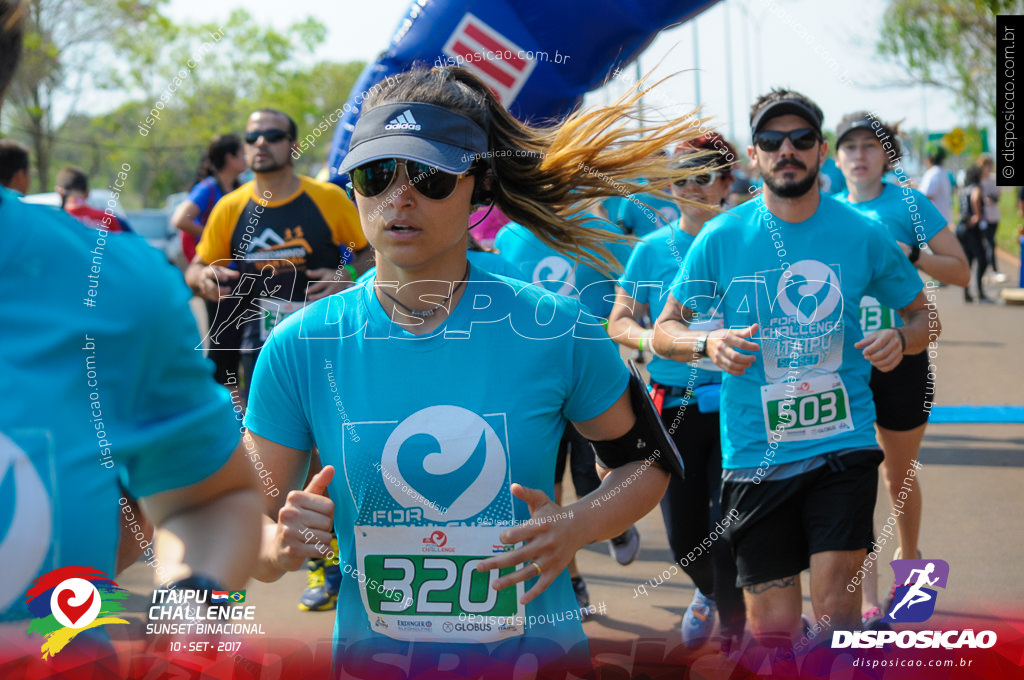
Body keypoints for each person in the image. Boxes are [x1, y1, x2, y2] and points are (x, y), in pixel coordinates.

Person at [243, 65, 705, 677]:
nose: (399, 197)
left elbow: (645, 463)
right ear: (353, 186)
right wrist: (277, 546)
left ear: (478, 187)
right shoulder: (301, 346)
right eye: (377, 174)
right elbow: (242, 518)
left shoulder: (555, 328)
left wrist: (575, 526)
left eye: (430, 176)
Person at [0, 2, 261, 669]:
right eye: (250, 145)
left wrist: (187, 629)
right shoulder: (205, 206)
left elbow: (213, 497)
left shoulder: (109, 284)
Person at [652, 89, 937, 663]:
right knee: (773, 630)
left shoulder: (860, 232)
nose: (789, 150)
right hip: (756, 453)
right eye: (773, 141)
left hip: (843, 443)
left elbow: (922, 316)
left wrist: (900, 339)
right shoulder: (723, 237)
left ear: (821, 151)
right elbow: (663, 330)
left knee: (836, 608)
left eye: (802, 139)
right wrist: (706, 341)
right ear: (754, 157)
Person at [608, 132, 746, 650]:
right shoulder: (651, 249)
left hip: (739, 403)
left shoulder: (749, 238)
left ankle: (736, 629)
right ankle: (712, 595)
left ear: (727, 181)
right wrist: (652, 340)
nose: (693, 187)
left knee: (728, 524)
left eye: (706, 175)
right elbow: (619, 320)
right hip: (676, 408)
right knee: (687, 539)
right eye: (683, 177)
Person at [832, 111, 968, 625]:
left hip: (904, 355)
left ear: (886, 155)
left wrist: (913, 255)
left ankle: (909, 560)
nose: (860, 155)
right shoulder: (825, 210)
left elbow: (960, 270)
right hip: (843, 363)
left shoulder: (907, 203)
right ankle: (867, 597)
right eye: (850, 147)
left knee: (898, 474)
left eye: (871, 146)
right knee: (851, 478)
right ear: (835, 156)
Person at [494, 209, 640, 612]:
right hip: (535, 386)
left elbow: (633, 294)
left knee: (596, 481)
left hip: (595, 382)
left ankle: (618, 524)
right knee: (545, 488)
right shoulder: (509, 237)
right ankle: (572, 581)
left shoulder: (606, 232)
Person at [184, 108, 371, 394]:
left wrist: (349, 272)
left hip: (326, 343)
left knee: (330, 437)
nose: (261, 143)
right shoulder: (229, 208)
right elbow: (195, 268)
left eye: (272, 136)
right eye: (252, 137)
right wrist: (203, 278)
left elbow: (374, 251)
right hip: (258, 351)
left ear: (294, 147)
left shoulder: (328, 198)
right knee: (266, 437)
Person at [172, 134, 247, 389]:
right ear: (230, 157)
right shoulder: (208, 188)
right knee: (223, 344)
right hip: (215, 276)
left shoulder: (238, 188)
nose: (248, 157)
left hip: (240, 274)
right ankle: (215, 404)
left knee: (240, 344)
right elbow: (180, 219)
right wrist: (216, 235)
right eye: (242, 152)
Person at [55, 166, 133, 233]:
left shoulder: (53, 220)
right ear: (87, 194)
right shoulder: (107, 219)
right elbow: (121, 247)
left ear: (59, 191)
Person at [957, 164, 990, 302]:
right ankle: (980, 291)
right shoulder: (976, 187)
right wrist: (977, 215)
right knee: (983, 259)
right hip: (972, 229)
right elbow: (975, 198)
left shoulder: (964, 189)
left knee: (968, 260)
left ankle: (966, 292)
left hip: (962, 227)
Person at [976, 155, 1005, 281]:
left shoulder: (994, 179)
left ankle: (993, 269)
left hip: (993, 216)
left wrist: (990, 198)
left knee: (991, 243)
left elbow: (998, 196)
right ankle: (989, 269)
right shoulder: (978, 180)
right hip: (983, 217)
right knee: (987, 244)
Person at [920, 144, 954, 226]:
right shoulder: (943, 173)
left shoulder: (932, 173)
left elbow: (925, 195)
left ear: (929, 159)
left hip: (934, 222)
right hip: (944, 219)